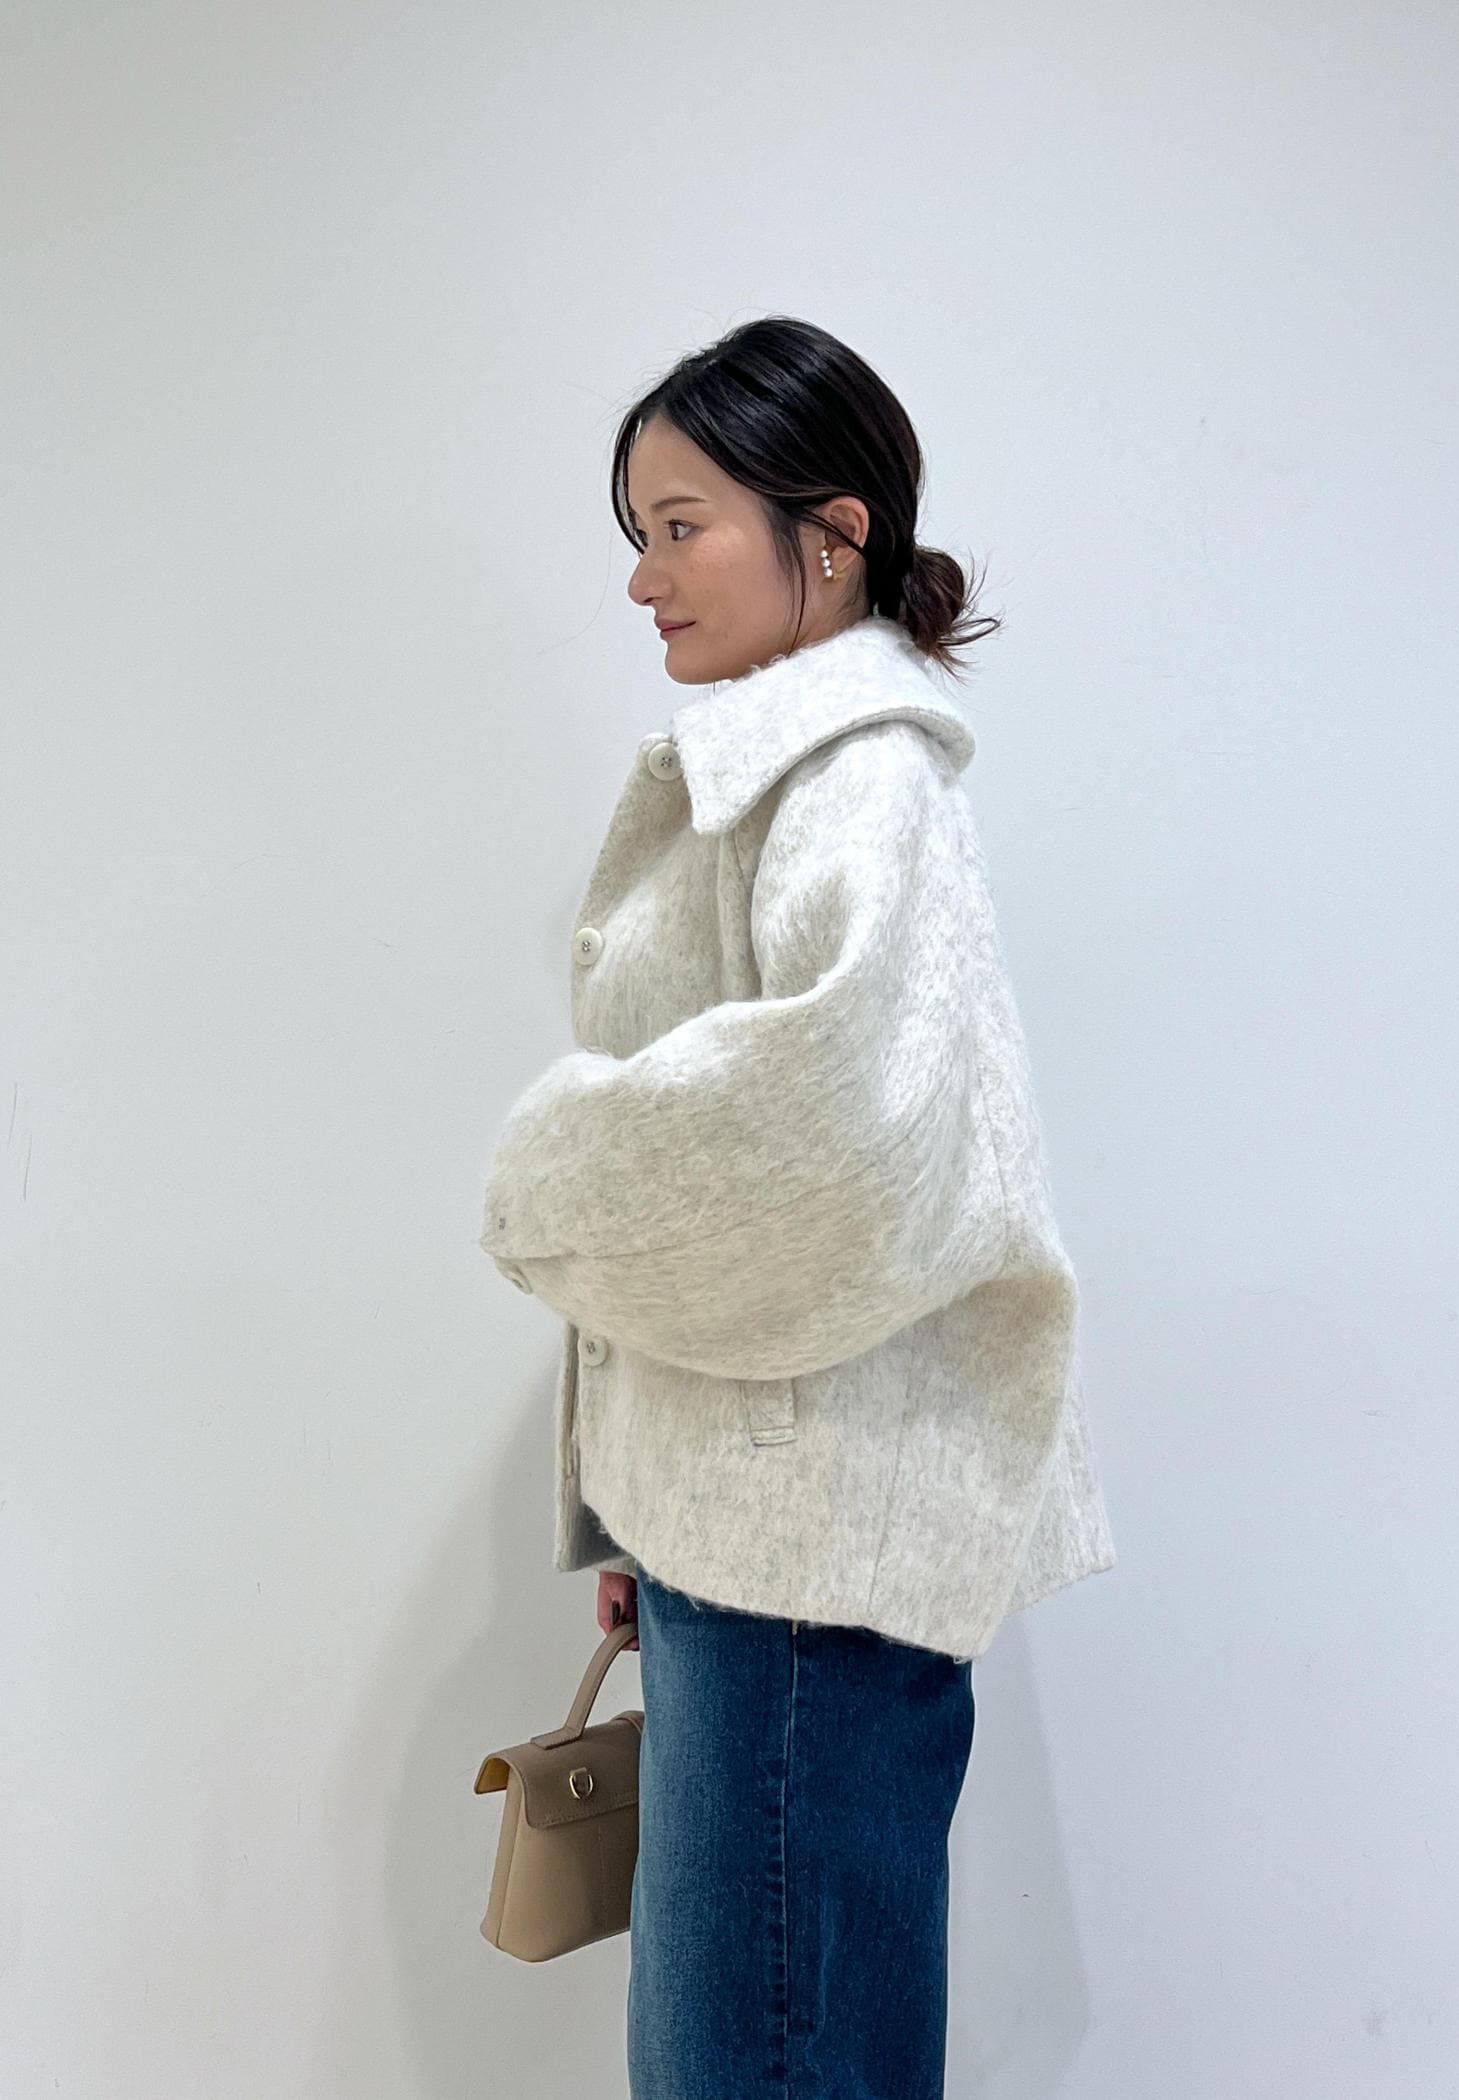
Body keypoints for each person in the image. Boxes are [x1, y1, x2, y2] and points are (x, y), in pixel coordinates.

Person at [479, 313, 1116, 2098]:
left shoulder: (856, 775)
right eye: (638, 532)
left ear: (828, 536)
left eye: (682, 526)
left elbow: (835, 1134)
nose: (642, 578)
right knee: (765, 2040)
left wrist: (544, 1170)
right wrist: (641, 1497)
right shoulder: (798, 769)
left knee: (761, 2060)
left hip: (804, 1560)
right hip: (759, 1529)